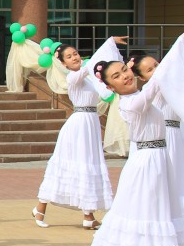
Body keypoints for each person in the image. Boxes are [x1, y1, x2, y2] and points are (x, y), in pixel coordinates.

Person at [74, 21, 184, 246]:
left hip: (159, 162)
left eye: (124, 70)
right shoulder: (130, 103)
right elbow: (161, 76)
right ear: (110, 85)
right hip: (144, 167)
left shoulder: (140, 95)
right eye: (118, 75)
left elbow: (171, 80)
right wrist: (182, 38)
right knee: (128, 219)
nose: (125, 76)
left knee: (161, 218)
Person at [32, 37, 126, 229]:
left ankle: (88, 216)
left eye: (75, 54)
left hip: (90, 123)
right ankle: (40, 208)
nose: (74, 57)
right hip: (79, 125)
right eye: (69, 56)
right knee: (73, 165)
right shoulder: (73, 77)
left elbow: (100, 80)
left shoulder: (88, 77)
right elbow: (89, 67)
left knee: (89, 165)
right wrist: (108, 43)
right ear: (62, 62)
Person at [133, 52, 184, 246]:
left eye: (156, 65)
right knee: (162, 187)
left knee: (181, 184)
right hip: (162, 140)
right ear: (142, 78)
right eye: (150, 70)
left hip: (177, 139)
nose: (157, 70)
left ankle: (182, 238)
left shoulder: (173, 85)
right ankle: (161, 238)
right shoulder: (153, 88)